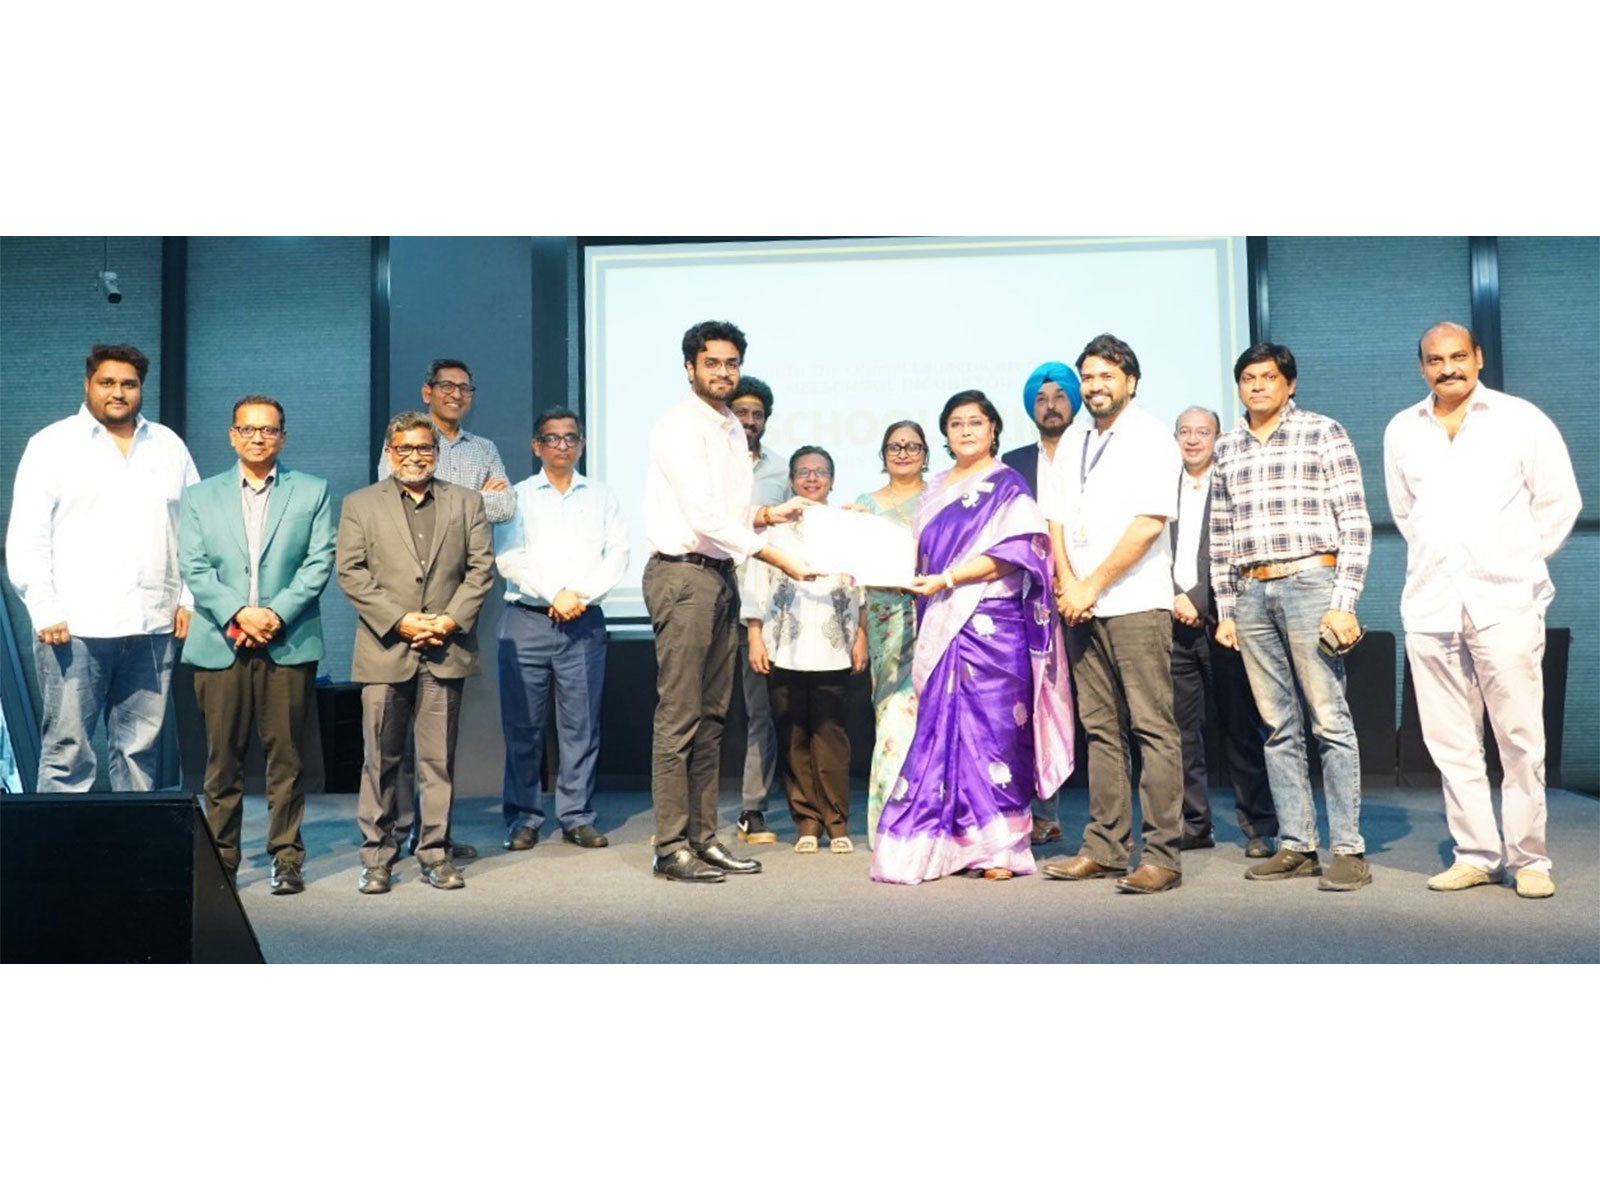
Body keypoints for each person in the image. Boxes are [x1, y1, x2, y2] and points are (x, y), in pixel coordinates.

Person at [1385, 322, 1581, 900]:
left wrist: (1516, 561)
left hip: (1505, 601)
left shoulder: (1521, 420)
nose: (1447, 368)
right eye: (1434, 360)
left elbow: (1560, 501)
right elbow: (1406, 512)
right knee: (1451, 743)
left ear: (1478, 358)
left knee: (1519, 740)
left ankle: (1530, 859)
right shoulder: (1402, 429)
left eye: (1457, 356)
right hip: (1431, 603)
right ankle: (1475, 854)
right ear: (1421, 367)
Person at [871, 391, 1074, 885]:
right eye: (956, 424)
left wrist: (950, 578)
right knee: (941, 733)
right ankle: (943, 845)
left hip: (993, 626)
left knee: (996, 734)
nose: (965, 431)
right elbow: (915, 554)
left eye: (975, 422)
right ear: (945, 433)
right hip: (940, 620)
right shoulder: (934, 489)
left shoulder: (1008, 486)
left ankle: (1000, 847)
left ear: (993, 429)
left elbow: (1018, 553)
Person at [643, 320, 815, 883]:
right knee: (679, 718)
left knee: (714, 717)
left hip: (720, 575)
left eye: (731, 363)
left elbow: (729, 511)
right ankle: (671, 848)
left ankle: (703, 838)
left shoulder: (729, 430)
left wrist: (769, 514)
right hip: (683, 577)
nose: (723, 372)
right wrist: (777, 555)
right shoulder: (679, 425)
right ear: (690, 367)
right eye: (712, 362)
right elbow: (702, 515)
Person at [1212, 342, 1373, 892]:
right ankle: (1298, 844)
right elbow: (1221, 535)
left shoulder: (1322, 432)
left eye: (1268, 377)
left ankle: (1348, 848)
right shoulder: (1227, 447)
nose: (1257, 386)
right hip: (1252, 591)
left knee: (1329, 719)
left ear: (1290, 383)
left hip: (1312, 582)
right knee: (1277, 726)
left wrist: (1343, 601)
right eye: (1248, 378)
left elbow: (1355, 521)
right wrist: (1227, 608)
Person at [7, 343, 198, 792]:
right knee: (67, 753)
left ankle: (131, 839)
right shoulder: (51, 445)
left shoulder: (168, 446)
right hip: (75, 628)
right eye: (107, 382)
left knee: (139, 755)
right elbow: (28, 534)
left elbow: (195, 527)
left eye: (128, 384)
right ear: (87, 385)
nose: (118, 392)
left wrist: (188, 598)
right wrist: (44, 608)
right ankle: (58, 840)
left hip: (153, 625)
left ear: (140, 389)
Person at [1040, 334, 1185, 894]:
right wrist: (1067, 584)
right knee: (1100, 730)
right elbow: (1055, 519)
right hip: (1080, 604)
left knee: (1152, 728)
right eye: (1088, 377)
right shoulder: (1073, 440)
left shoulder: (1151, 437)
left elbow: (1148, 524)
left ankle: (1163, 856)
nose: (1096, 386)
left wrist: (1091, 585)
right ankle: (1104, 848)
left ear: (1131, 381)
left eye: (1107, 375)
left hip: (1134, 602)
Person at [179, 396, 336, 894]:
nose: (257, 438)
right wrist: (239, 612)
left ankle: (286, 857)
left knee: (286, 758)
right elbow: (194, 566)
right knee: (221, 760)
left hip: (286, 639)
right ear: (232, 436)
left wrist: (273, 614)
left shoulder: (312, 491)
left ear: (282, 437)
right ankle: (221, 860)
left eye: (268, 430)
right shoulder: (201, 496)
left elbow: (319, 562)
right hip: (220, 640)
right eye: (247, 429)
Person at [337, 413, 495, 894]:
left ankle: (434, 853)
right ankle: (377, 857)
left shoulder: (466, 502)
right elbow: (351, 572)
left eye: (424, 448)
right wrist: (401, 621)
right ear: (390, 453)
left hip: (445, 648)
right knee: (380, 761)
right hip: (385, 648)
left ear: (436, 453)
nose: (414, 457)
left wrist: (448, 621)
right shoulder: (361, 503)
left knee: (436, 762)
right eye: (404, 449)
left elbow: (481, 570)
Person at [378, 358, 514, 861]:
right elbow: (391, 501)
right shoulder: (405, 438)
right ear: (427, 391)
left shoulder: (485, 449)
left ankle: (435, 836)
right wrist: (474, 498)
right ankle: (398, 833)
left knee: (440, 742)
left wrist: (459, 500)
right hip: (403, 610)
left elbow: (507, 506)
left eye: (465, 387)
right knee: (394, 740)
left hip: (456, 605)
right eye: (447, 386)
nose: (456, 394)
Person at [494, 407, 627, 852]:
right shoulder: (517, 496)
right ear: (536, 446)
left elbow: (618, 554)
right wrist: (555, 593)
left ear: (582, 445)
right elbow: (509, 558)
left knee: (580, 727)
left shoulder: (602, 496)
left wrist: (579, 596)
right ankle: (523, 817)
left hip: (583, 622)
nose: (562, 445)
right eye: (552, 438)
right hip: (527, 620)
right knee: (523, 728)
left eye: (571, 438)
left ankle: (576, 816)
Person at [744, 446, 867, 852]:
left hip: (834, 643)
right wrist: (755, 636)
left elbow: (861, 588)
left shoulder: (848, 526)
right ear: (791, 480)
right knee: (793, 734)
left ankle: (837, 822)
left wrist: (861, 634)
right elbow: (754, 586)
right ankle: (807, 823)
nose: (812, 479)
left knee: (832, 735)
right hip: (784, 645)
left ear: (832, 479)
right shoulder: (772, 531)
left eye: (820, 472)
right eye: (803, 472)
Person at [1169, 406, 1276, 857]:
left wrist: (1198, 599)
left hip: (1224, 623)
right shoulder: (1161, 485)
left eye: (1203, 432)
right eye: (1185, 432)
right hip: (1171, 623)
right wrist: (1176, 597)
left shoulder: (1232, 483)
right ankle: (1194, 824)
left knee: (1240, 728)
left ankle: (1260, 827)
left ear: (1218, 438)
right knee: (1180, 733)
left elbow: (1234, 549)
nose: (1193, 440)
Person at [1002, 360, 1083, 844]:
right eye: (1041, 398)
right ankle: (1042, 812)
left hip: (1088, 595)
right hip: (1026, 601)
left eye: (1059, 396)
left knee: (1096, 708)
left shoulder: (1094, 453)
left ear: (1075, 401)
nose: (1051, 406)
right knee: (1032, 704)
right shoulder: (1012, 463)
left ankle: (1111, 822)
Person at [857, 420, 928, 849]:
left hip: (934, 611)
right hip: (886, 617)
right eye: (894, 446)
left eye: (912, 446)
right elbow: (854, 572)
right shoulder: (865, 505)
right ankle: (889, 823)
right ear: (883, 455)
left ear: (926, 454)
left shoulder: (940, 497)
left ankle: (930, 822)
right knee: (893, 718)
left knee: (933, 718)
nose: (903, 453)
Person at [729, 375, 790, 845]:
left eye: (757, 414)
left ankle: (753, 809)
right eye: (742, 413)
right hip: (707, 588)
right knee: (695, 708)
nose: (750, 421)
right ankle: (684, 812)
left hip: (761, 604)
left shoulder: (782, 471)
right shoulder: (706, 462)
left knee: (759, 711)